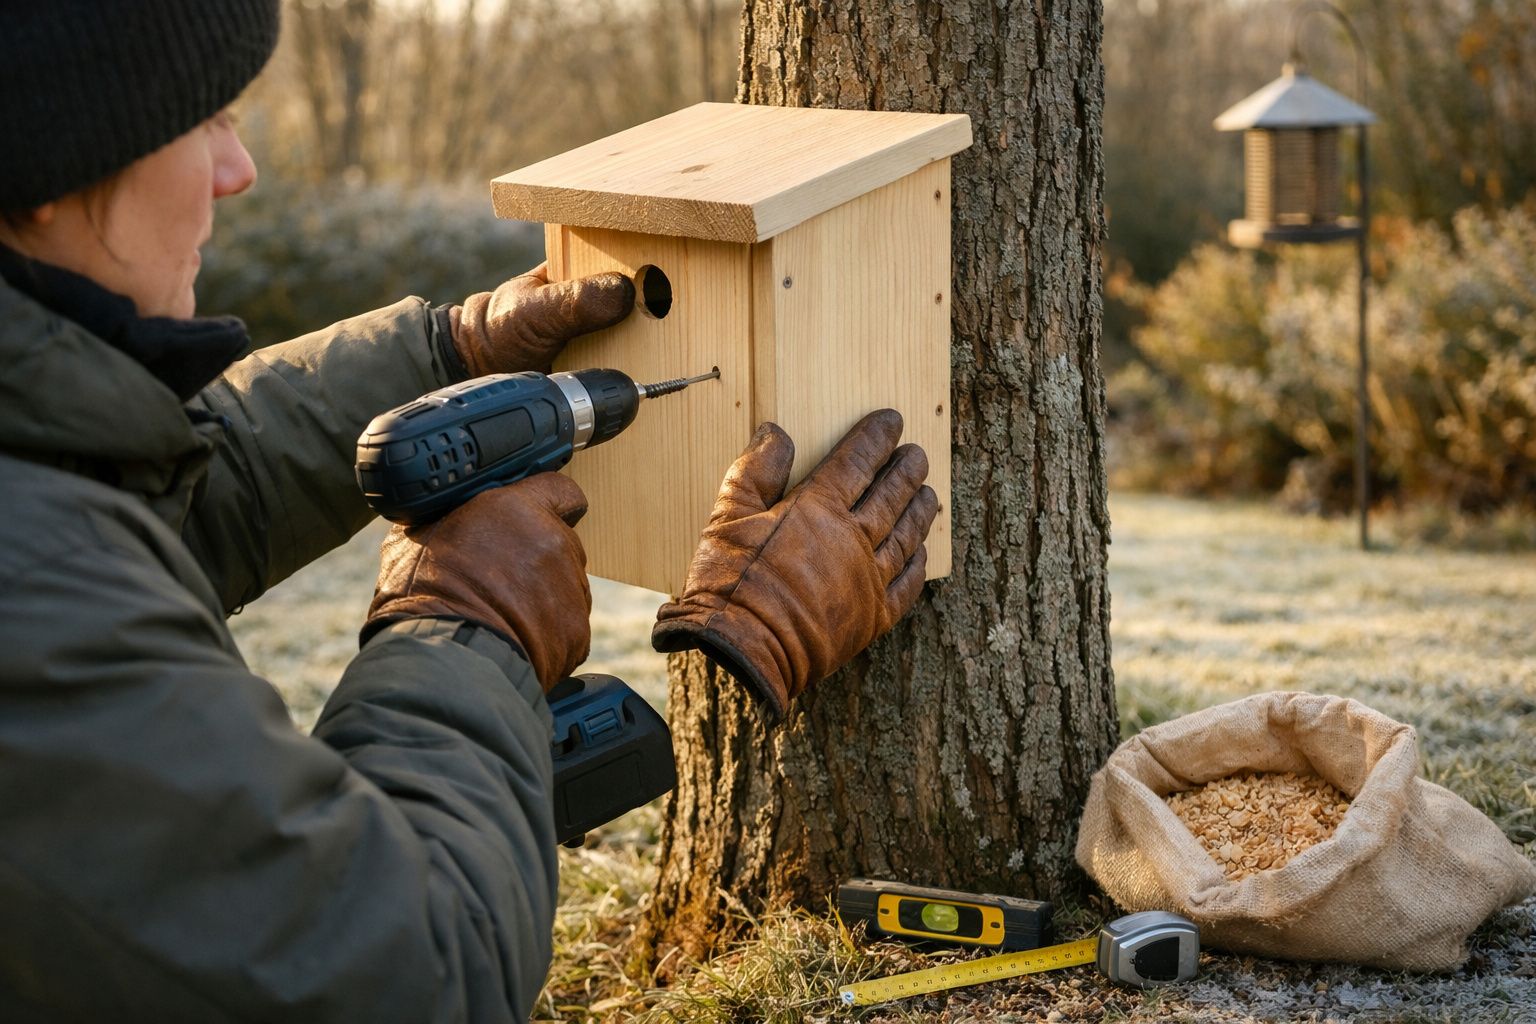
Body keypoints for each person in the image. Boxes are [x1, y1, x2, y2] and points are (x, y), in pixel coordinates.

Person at [0, 2, 939, 1021]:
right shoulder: (35, 590)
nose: (239, 171)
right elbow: (405, 972)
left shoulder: (40, 479)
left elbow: (152, 494)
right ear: (51, 170)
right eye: (204, 122)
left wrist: (449, 356)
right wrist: (464, 622)